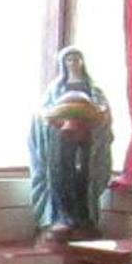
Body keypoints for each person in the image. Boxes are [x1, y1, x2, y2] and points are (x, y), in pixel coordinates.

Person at [30, 46, 114, 240]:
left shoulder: (93, 89)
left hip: (86, 139)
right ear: (63, 64)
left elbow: (103, 110)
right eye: (69, 59)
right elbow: (44, 112)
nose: (73, 63)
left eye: (77, 59)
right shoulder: (55, 89)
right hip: (62, 139)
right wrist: (55, 118)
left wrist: (94, 115)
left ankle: (84, 218)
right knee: (61, 175)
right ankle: (61, 216)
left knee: (85, 177)